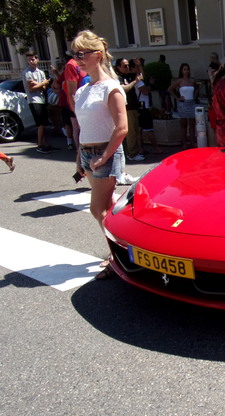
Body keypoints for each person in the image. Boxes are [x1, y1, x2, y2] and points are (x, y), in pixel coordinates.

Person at [71, 30, 128, 280]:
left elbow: (122, 128)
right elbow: (83, 128)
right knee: (105, 209)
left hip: (106, 152)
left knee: (98, 210)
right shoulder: (84, 89)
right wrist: (79, 159)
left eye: (82, 53)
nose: (77, 59)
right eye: (75, 54)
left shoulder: (111, 87)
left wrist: (104, 156)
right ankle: (121, 251)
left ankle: (117, 258)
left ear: (98, 54)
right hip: (87, 153)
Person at [21, 51, 53, 153]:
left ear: (37, 59)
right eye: (29, 59)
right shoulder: (27, 72)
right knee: (41, 124)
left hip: (42, 99)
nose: (31, 61)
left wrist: (39, 84)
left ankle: (46, 144)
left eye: (33, 59)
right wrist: (42, 83)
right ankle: (40, 145)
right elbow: (31, 88)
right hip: (34, 100)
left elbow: (43, 87)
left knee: (44, 123)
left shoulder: (40, 72)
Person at [115, 58, 144, 161]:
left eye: (128, 65)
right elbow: (124, 88)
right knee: (131, 132)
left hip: (134, 106)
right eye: (124, 66)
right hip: (126, 107)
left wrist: (139, 65)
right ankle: (132, 154)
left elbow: (140, 77)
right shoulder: (118, 77)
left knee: (135, 130)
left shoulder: (129, 76)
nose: (127, 68)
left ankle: (134, 152)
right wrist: (135, 82)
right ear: (118, 67)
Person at [168, 63, 199, 148]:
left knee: (192, 123)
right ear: (181, 71)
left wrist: (195, 96)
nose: (186, 71)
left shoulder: (192, 81)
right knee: (183, 123)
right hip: (183, 103)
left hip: (191, 102)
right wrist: (177, 98)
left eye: (187, 69)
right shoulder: (179, 81)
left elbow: (197, 88)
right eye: (184, 69)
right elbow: (170, 89)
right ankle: (184, 142)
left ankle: (192, 141)